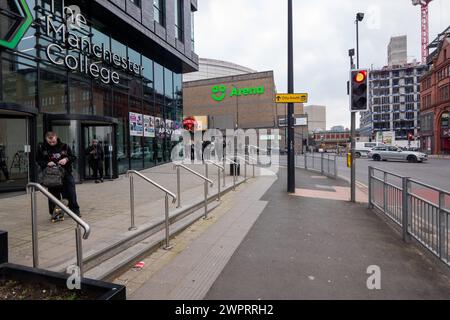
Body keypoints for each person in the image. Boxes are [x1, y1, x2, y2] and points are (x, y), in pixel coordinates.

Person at [37, 132, 81, 217]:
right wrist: (47, 163)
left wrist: (66, 159)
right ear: (46, 139)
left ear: (56, 138)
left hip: (66, 174)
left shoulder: (64, 146)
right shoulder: (42, 148)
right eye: (50, 142)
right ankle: (55, 213)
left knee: (70, 193)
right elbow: (38, 160)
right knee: (53, 195)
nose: (52, 143)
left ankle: (75, 211)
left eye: (53, 141)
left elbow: (73, 157)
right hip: (51, 175)